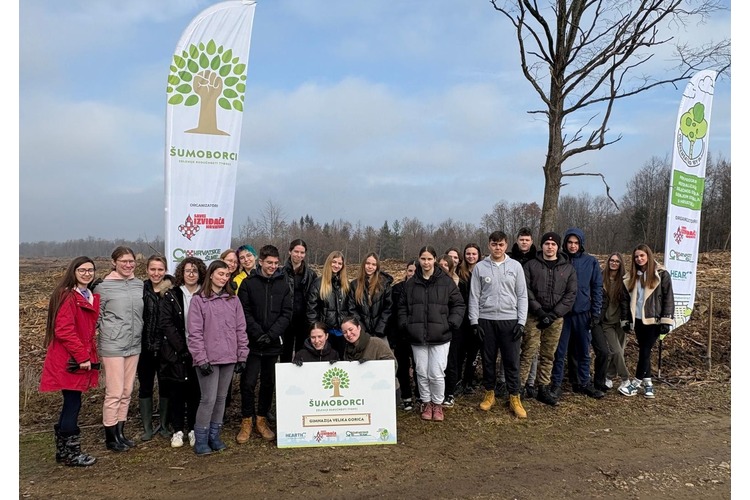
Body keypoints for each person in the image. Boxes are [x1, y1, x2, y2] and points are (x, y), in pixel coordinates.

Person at [39, 256, 100, 466]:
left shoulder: (85, 294)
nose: (87, 274)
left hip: (73, 358)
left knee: (71, 402)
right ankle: (72, 454)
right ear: (73, 271)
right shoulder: (68, 296)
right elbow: (64, 330)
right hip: (69, 360)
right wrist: (82, 356)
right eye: (82, 270)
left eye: (90, 270)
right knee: (73, 403)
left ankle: (64, 452)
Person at [188, 260, 249, 455]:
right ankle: (201, 438)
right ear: (211, 275)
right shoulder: (199, 300)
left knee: (221, 398)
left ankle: (215, 435)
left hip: (229, 357)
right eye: (220, 274)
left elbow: (241, 329)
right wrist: (201, 358)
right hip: (208, 359)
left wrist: (242, 355)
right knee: (208, 399)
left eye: (226, 275)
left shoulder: (233, 300)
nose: (223, 278)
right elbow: (194, 333)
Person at [398, 246, 465, 422]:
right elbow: (402, 307)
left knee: (436, 372)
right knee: (421, 371)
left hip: (440, 335)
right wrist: (406, 324)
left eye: (429, 259)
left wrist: (451, 323)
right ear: (419, 260)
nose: (426, 262)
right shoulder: (411, 283)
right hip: (417, 336)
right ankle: (426, 402)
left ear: (434, 259)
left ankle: (437, 403)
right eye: (423, 259)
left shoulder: (445, 281)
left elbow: (459, 304)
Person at [469, 231, 528, 418]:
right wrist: (474, 321)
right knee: (488, 360)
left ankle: (514, 397)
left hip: (509, 321)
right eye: (494, 244)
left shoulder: (515, 267)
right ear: (489, 245)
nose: (497, 248)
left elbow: (522, 295)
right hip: (486, 320)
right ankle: (489, 393)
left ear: (506, 245)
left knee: (511, 361)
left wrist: (521, 321)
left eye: (501, 244)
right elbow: (474, 296)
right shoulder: (480, 267)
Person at [237, 244, 292, 443]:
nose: (273, 266)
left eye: (276, 263)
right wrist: (258, 333)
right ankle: (246, 420)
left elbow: (287, 313)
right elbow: (244, 311)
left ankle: (261, 419)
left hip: (272, 343)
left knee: (268, 383)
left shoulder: (283, 284)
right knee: (248, 383)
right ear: (260, 262)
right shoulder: (248, 284)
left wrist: (271, 334)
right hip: (252, 343)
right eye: (269, 263)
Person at [95, 246, 144, 452]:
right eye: (123, 261)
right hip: (113, 345)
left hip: (134, 344)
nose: (128, 265)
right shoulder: (103, 287)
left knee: (127, 391)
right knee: (114, 392)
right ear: (114, 262)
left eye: (131, 261)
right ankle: (110, 436)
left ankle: (121, 432)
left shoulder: (139, 284)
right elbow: (95, 318)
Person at [519, 232, 577, 406]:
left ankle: (543, 387)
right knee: (528, 352)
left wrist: (553, 314)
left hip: (556, 318)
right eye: (546, 244)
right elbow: (525, 290)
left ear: (558, 247)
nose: (550, 247)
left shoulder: (568, 268)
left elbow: (570, 294)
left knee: (548, 354)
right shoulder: (530, 265)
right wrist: (539, 311)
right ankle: (519, 388)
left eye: (553, 244)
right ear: (542, 246)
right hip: (533, 316)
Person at [550, 228, 605, 400]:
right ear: (565, 244)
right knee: (559, 351)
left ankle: (583, 382)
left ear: (581, 244)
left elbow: (596, 288)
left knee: (583, 351)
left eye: (576, 243)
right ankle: (556, 384)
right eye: (570, 243)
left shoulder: (590, 262)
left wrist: (595, 312)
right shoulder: (560, 260)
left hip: (583, 313)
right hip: (562, 314)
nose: (573, 246)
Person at [159, 256, 206, 449]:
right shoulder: (172, 295)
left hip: (200, 350)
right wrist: (182, 348)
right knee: (177, 390)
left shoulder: (206, 294)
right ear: (182, 273)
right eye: (188, 271)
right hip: (177, 351)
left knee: (196, 390)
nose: (191, 274)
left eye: (195, 271)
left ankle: (194, 428)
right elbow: (166, 324)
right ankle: (178, 430)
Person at [619, 244, 675, 398]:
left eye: (642, 256)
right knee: (645, 351)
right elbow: (625, 300)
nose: (639, 259)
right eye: (636, 256)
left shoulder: (661, 274)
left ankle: (635, 383)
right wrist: (625, 320)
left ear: (648, 256)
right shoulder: (632, 276)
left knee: (645, 351)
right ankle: (648, 384)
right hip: (637, 320)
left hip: (654, 320)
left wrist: (666, 320)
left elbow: (668, 297)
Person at [138, 255, 173, 441]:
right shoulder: (140, 289)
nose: (156, 273)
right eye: (153, 269)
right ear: (147, 270)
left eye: (160, 269)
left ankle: (164, 425)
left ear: (165, 270)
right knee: (145, 386)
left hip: (166, 348)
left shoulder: (172, 290)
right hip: (144, 347)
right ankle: (147, 427)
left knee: (165, 386)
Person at [598, 252, 634, 395]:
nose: (614, 263)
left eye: (617, 261)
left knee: (619, 351)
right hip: (606, 322)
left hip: (621, 321)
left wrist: (628, 320)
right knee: (616, 351)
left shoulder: (625, 280)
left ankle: (609, 377)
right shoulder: (600, 278)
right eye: (611, 260)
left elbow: (627, 302)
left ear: (620, 264)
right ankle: (626, 380)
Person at [341, 316, 399, 404]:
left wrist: (371, 367)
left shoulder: (376, 342)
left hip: (385, 390)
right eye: (345, 332)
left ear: (359, 327)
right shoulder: (346, 349)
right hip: (361, 393)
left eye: (351, 329)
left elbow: (393, 364)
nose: (348, 334)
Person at [510, 227, 539, 399]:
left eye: (527, 240)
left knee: (531, 347)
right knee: (511, 346)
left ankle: (530, 383)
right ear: (517, 240)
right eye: (521, 239)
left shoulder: (537, 258)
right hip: (511, 308)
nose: (524, 242)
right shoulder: (509, 257)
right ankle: (505, 380)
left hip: (533, 307)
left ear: (531, 241)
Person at [452, 243, 483, 398]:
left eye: (474, 254)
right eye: (468, 254)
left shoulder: (483, 271)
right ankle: (456, 381)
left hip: (477, 317)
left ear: (479, 255)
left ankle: (468, 381)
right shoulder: (459, 272)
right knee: (458, 351)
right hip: (461, 318)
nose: (471, 257)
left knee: (473, 352)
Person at [307, 250, 350, 358]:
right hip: (326, 332)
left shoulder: (346, 285)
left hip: (342, 332)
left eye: (340, 263)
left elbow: (350, 308)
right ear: (329, 263)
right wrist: (317, 330)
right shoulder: (318, 284)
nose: (337, 265)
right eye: (334, 262)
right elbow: (312, 310)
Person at [389, 259, 419, 411]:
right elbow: (392, 315)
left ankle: (420, 395)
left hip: (418, 335)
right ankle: (406, 397)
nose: (412, 274)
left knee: (419, 367)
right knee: (402, 367)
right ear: (406, 272)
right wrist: (392, 338)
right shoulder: (396, 289)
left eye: (415, 271)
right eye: (410, 271)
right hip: (400, 335)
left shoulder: (422, 289)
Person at [281, 239, 318, 363]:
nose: (299, 255)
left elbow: (313, 299)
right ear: (290, 251)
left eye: (302, 252)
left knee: (302, 352)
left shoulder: (311, 275)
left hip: (303, 319)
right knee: (285, 352)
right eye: (296, 251)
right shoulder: (280, 273)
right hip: (286, 318)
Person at [347, 252, 393, 341]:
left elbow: (388, 308)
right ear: (364, 264)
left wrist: (379, 330)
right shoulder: (354, 285)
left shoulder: (384, 284)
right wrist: (362, 330)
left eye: (373, 264)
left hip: (380, 333)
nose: (370, 267)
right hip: (361, 333)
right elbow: (352, 309)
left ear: (377, 267)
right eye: (368, 263)